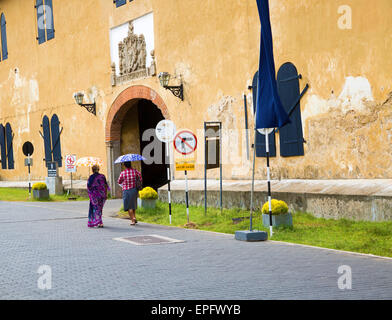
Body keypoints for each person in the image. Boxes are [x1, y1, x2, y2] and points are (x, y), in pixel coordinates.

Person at [118, 161, 142, 226]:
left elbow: (119, 181)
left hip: (126, 190)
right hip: (134, 190)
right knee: (133, 205)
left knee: (128, 206)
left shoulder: (123, 173)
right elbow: (140, 178)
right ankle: (134, 217)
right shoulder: (135, 171)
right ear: (130, 164)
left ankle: (133, 219)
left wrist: (124, 183)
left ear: (125, 166)